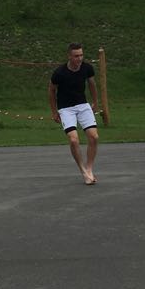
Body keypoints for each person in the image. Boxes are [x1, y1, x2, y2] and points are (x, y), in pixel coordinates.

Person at [49, 42, 100, 185]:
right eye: (76, 56)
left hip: (83, 105)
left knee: (94, 137)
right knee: (73, 140)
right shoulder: (59, 73)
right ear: (69, 56)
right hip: (66, 108)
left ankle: (89, 168)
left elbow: (92, 84)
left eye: (81, 55)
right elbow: (51, 91)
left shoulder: (87, 68)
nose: (80, 58)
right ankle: (83, 171)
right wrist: (54, 112)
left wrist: (95, 102)